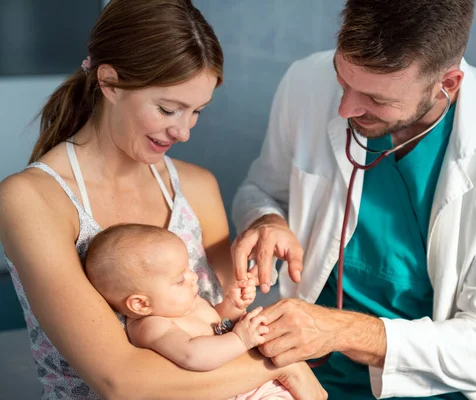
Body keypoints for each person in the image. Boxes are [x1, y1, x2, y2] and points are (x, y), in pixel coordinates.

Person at [231, 0, 476, 399]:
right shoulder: (305, 81)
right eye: (343, 83)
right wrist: (266, 219)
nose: (345, 108)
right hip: (304, 365)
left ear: (449, 83)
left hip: (442, 381)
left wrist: (339, 330)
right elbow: (261, 191)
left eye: (377, 100)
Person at [0, 0, 326, 399]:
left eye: (197, 112)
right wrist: (284, 367)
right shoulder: (32, 200)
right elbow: (120, 382)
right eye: (169, 109)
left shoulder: (197, 187)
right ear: (109, 83)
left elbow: (221, 326)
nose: (184, 132)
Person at [84, 223, 295, 400]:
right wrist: (241, 340)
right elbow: (192, 355)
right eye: (179, 279)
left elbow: (218, 326)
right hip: (223, 391)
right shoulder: (151, 326)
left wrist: (233, 304)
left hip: (247, 381)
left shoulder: (185, 303)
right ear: (141, 304)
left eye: (188, 269)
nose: (194, 278)